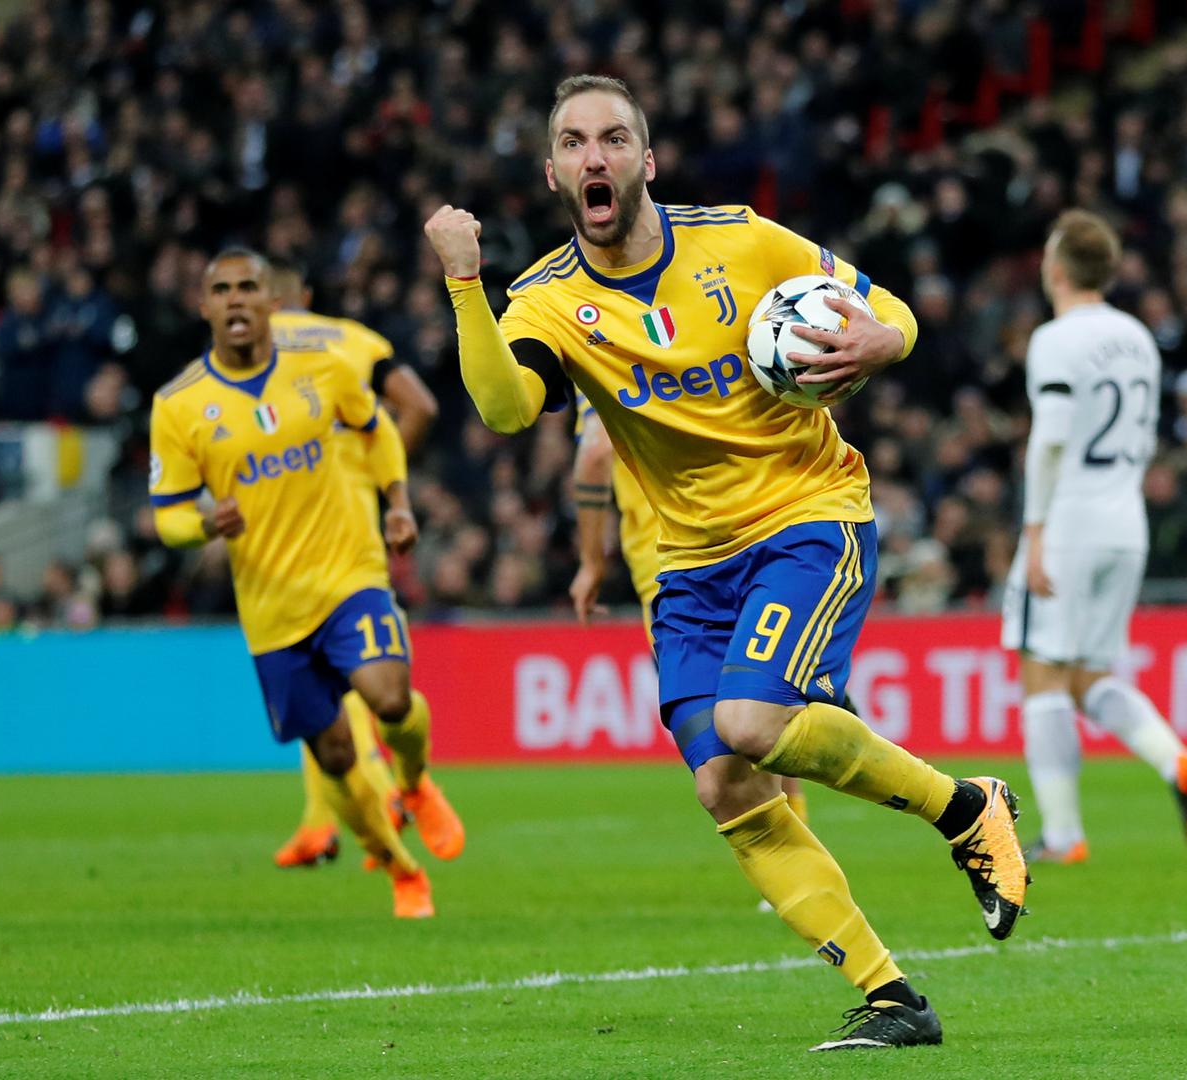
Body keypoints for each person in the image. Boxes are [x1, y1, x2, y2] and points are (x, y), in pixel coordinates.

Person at [426, 75, 1027, 1052]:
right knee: (726, 785)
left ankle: (964, 809)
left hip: (806, 519)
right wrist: (466, 286)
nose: (594, 156)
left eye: (613, 138)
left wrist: (884, 339)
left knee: (752, 722)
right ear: (552, 173)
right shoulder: (545, 300)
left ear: (647, 159)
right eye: (573, 142)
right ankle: (892, 998)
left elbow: (887, 308)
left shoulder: (743, 240)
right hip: (689, 568)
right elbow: (504, 410)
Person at [149, 248, 434, 918]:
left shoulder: (323, 367)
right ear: (204, 306)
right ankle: (399, 865)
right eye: (222, 289)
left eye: (248, 287)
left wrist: (397, 502)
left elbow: (378, 432)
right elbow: (167, 517)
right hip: (272, 609)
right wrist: (204, 524)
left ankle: (414, 781)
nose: (236, 299)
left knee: (390, 696)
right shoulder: (178, 405)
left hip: (348, 574)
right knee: (334, 754)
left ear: (271, 302)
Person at [1000, 210, 1187, 866]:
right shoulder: (1137, 337)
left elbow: (1051, 439)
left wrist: (1035, 532)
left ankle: (1064, 835)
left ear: (1057, 269)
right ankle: (1178, 759)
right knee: (1089, 676)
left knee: (1041, 675)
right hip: (1125, 521)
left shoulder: (1055, 338)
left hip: (1069, 521)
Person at [266, 258, 464, 873]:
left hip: (289, 555)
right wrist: (384, 487)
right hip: (344, 543)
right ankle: (333, 818)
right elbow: (420, 407)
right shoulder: (352, 342)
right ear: (304, 292)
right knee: (343, 701)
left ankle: (385, 799)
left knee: (347, 696)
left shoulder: (237, 370)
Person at [570, 395, 811, 861]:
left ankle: (792, 862)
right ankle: (800, 843)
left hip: (674, 573)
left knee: (726, 754)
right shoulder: (691, 357)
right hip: (749, 543)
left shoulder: (599, 362)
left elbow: (596, 452)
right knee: (765, 710)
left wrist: (591, 562)